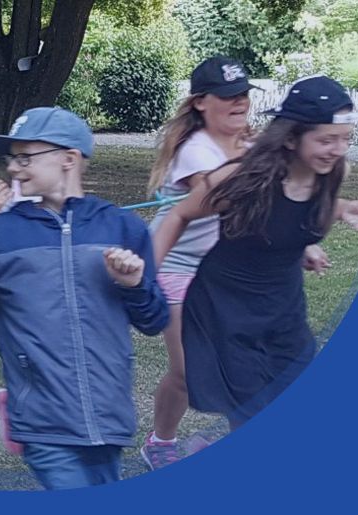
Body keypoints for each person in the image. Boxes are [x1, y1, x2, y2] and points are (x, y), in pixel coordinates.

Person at [0, 106, 169, 490]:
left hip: (109, 417)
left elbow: (154, 320)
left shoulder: (120, 226)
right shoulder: (1, 234)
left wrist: (134, 283)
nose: (13, 168)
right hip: (41, 419)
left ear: (69, 159)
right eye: (12, 158)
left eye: (25, 157)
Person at [154, 75, 358, 433]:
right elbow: (180, 214)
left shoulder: (331, 172)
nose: (337, 149)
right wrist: (145, 279)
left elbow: (297, 203)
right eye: (326, 140)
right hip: (226, 311)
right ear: (291, 138)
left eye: (344, 139)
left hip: (283, 312)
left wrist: (341, 208)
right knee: (252, 416)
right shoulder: (243, 179)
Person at [135, 56, 260, 469]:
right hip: (176, 268)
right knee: (190, 372)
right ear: (201, 103)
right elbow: (227, 200)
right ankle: (160, 442)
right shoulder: (195, 151)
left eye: (243, 94)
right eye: (228, 96)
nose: (239, 102)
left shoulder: (249, 145)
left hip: (224, 274)